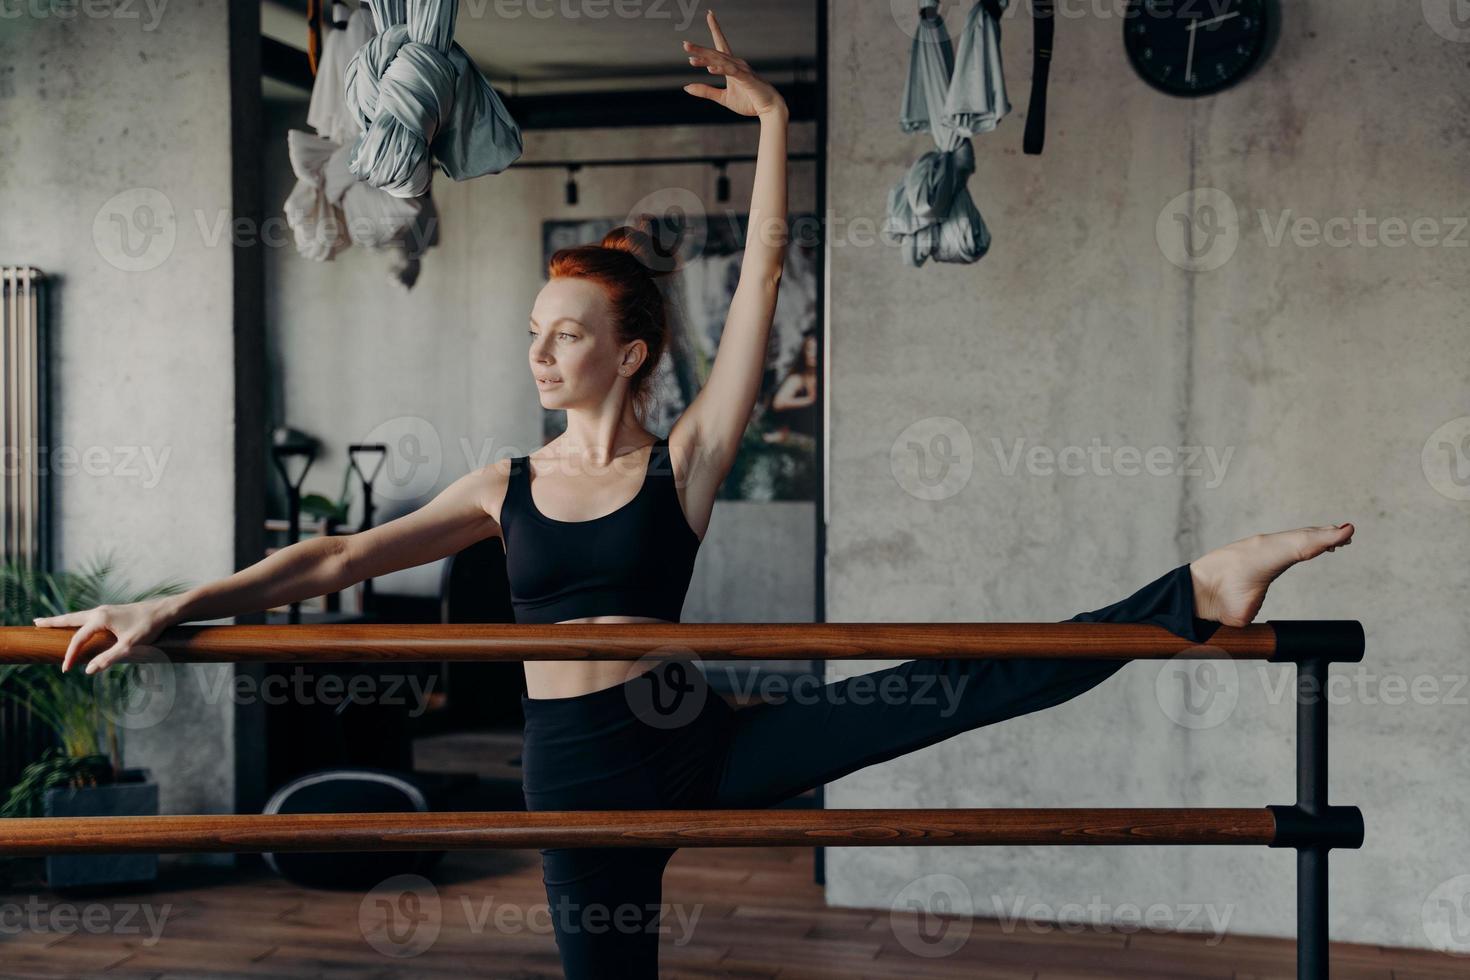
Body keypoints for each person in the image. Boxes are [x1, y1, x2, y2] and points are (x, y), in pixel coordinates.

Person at [36, 11, 1356, 978]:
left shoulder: (683, 460)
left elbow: (769, 281)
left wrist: (777, 122)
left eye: (564, 332)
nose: (539, 350)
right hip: (578, 772)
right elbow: (329, 562)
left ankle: (1194, 588)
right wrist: (177, 601)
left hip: (701, 738)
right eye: (533, 331)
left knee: (961, 678)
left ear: (630, 353)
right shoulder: (502, 482)